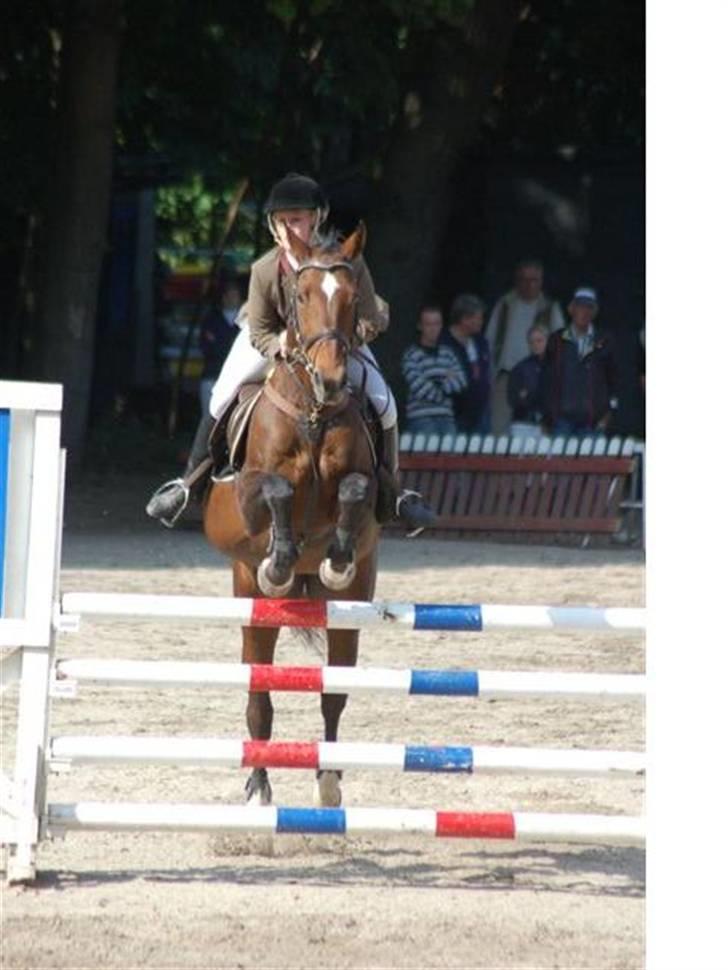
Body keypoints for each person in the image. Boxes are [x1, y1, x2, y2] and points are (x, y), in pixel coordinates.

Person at [146, 172, 435, 532]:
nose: (288, 229)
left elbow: (372, 318)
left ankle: (395, 493)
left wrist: (342, 340)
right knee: (222, 395)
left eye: (296, 219)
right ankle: (189, 484)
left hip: (336, 345)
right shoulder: (265, 269)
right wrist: (278, 345)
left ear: (316, 218)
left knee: (384, 400)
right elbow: (260, 329)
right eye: (281, 221)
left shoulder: (350, 261)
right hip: (270, 341)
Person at [485, 259, 565, 435]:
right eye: (524, 279)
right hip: (505, 375)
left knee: (539, 432)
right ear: (516, 280)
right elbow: (489, 342)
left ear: (541, 281)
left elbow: (559, 346)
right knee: (498, 430)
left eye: (534, 280)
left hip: (538, 377)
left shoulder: (551, 308)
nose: (528, 284)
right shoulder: (504, 305)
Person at [541, 286, 619, 437]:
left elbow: (614, 380)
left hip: (593, 423)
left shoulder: (605, 340)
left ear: (595, 312)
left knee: (592, 461)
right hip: (561, 421)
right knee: (559, 461)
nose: (584, 312)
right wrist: (547, 416)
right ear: (571, 309)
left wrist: (610, 412)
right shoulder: (556, 340)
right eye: (580, 306)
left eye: (589, 308)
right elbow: (546, 380)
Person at [400, 305, 468, 436]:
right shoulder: (411, 355)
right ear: (420, 326)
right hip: (421, 419)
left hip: (447, 418)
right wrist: (445, 383)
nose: (433, 329)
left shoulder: (448, 354)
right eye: (428, 324)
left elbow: (461, 382)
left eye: (436, 324)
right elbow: (419, 387)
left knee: (451, 455)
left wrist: (434, 382)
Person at [439, 293, 492, 434]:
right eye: (478, 318)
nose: (481, 322)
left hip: (481, 414)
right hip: (455, 415)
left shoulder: (481, 342)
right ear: (464, 319)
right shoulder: (444, 343)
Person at [198, 278, 245, 417]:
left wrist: (221, 343)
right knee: (209, 417)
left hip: (239, 377)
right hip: (213, 374)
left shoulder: (247, 321)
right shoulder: (211, 320)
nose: (230, 298)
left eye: (234, 294)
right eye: (227, 295)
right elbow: (206, 348)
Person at [507, 323, 548, 439]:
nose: (535, 345)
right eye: (531, 342)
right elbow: (513, 399)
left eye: (539, 340)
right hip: (522, 423)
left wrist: (528, 393)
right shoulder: (520, 368)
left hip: (546, 425)